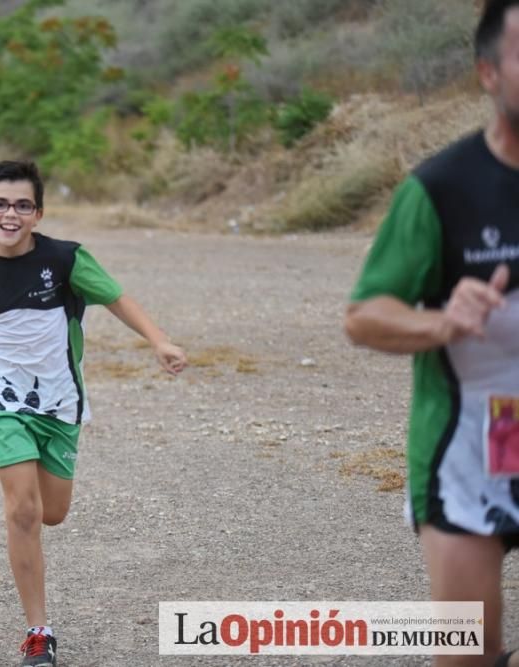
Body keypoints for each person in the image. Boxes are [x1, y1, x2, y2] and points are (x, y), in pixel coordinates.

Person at [0, 160, 187, 667]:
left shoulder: (66, 259)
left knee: (52, 513)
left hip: (60, 401)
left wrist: (159, 341)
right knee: (22, 511)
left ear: (38, 213)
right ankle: (38, 633)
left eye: (22, 205)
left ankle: (15, 452)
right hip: (0, 396)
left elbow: (116, 298)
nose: (10, 213)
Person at [345, 2, 519, 665]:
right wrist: (443, 319)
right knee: (467, 652)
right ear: (487, 73)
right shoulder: (440, 189)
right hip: (469, 444)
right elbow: (364, 314)